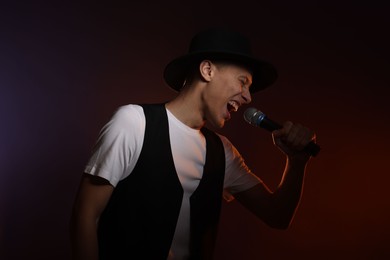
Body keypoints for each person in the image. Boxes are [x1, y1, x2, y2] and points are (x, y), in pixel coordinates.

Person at [70, 28, 317, 260]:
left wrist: (296, 162)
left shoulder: (223, 152)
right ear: (207, 70)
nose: (248, 97)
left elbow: (277, 216)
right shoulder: (134, 122)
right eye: (243, 82)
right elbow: (86, 215)